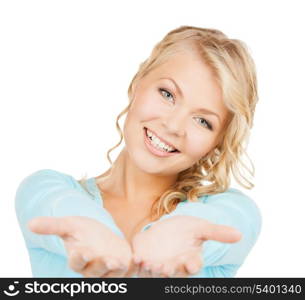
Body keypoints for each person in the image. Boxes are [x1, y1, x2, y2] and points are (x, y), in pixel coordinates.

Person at [15, 25, 262, 278]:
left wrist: (178, 232)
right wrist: (96, 235)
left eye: (203, 121)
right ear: (138, 83)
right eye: (167, 94)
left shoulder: (230, 212)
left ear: (217, 143)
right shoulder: (46, 190)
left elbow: (232, 220)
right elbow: (54, 203)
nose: (173, 125)